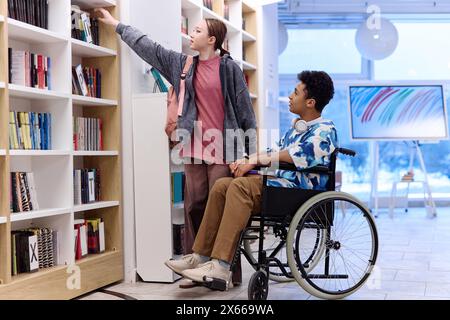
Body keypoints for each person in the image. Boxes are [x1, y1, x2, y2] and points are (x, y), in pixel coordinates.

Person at [95, 8, 256, 286]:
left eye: (197, 31)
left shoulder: (230, 69)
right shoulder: (182, 64)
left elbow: (245, 113)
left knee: (219, 208)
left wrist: (248, 153)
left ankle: (228, 271)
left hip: (224, 147)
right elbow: (149, 48)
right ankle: (196, 268)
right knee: (195, 205)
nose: (191, 34)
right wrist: (118, 25)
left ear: (212, 40)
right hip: (193, 146)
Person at [165, 70, 339, 286]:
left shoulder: (325, 130)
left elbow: (295, 155)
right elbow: (272, 151)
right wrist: (246, 159)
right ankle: (201, 256)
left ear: (310, 102)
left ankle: (221, 266)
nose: (290, 97)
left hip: (297, 192)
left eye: (295, 93)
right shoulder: (297, 130)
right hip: (278, 187)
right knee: (221, 186)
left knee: (239, 187)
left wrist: (256, 161)